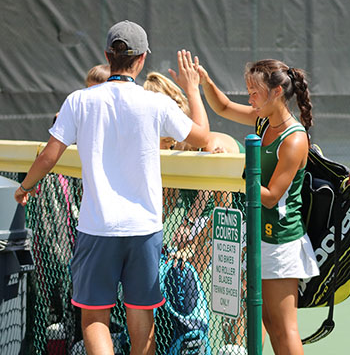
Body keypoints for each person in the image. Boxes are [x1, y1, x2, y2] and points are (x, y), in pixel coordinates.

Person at [14, 20, 210, 355]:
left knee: (94, 318)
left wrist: (25, 188)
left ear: (108, 55)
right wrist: (193, 89)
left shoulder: (79, 100)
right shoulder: (156, 104)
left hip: (97, 228)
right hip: (145, 229)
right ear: (142, 58)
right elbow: (204, 137)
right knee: (141, 318)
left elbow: (49, 155)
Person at [197, 59, 319, 354]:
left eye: (255, 92)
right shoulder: (263, 121)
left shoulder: (294, 139)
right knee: (267, 320)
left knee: (285, 327)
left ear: (277, 91)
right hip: (259, 236)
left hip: (280, 239)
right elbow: (224, 107)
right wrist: (203, 81)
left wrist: (232, 165)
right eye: (249, 91)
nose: (250, 98)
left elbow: (272, 195)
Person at [142, 71, 247, 352]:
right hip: (212, 219)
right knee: (190, 279)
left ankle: (235, 346)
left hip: (244, 214)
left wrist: (193, 241)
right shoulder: (167, 150)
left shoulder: (207, 145)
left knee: (237, 292)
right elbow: (166, 203)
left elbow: (224, 215)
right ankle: (194, 343)